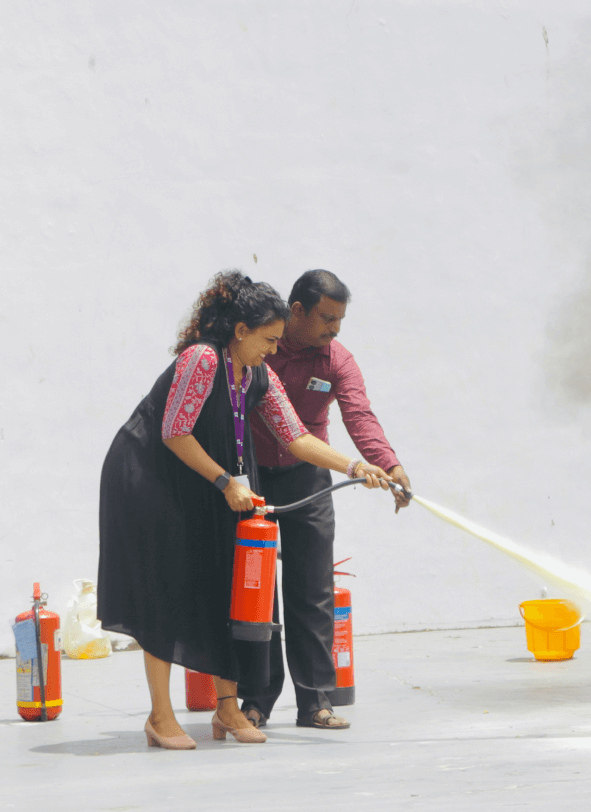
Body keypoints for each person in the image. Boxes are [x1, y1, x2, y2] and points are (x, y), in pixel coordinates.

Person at [98, 272, 393, 750]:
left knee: (224, 585)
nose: (274, 350)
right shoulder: (202, 359)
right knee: (166, 591)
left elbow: (296, 436)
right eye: (268, 340)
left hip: (202, 482)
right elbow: (174, 432)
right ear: (240, 331)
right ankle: (160, 716)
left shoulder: (258, 372)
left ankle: (228, 710)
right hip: (150, 479)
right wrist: (224, 481)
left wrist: (359, 465)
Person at [238, 269, 410, 732]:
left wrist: (388, 464)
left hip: (309, 477)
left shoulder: (337, 361)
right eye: (327, 319)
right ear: (297, 312)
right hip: (249, 478)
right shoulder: (260, 349)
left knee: (311, 591)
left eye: (340, 321)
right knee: (256, 594)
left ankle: (315, 702)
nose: (335, 330)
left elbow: (359, 414)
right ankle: (255, 700)